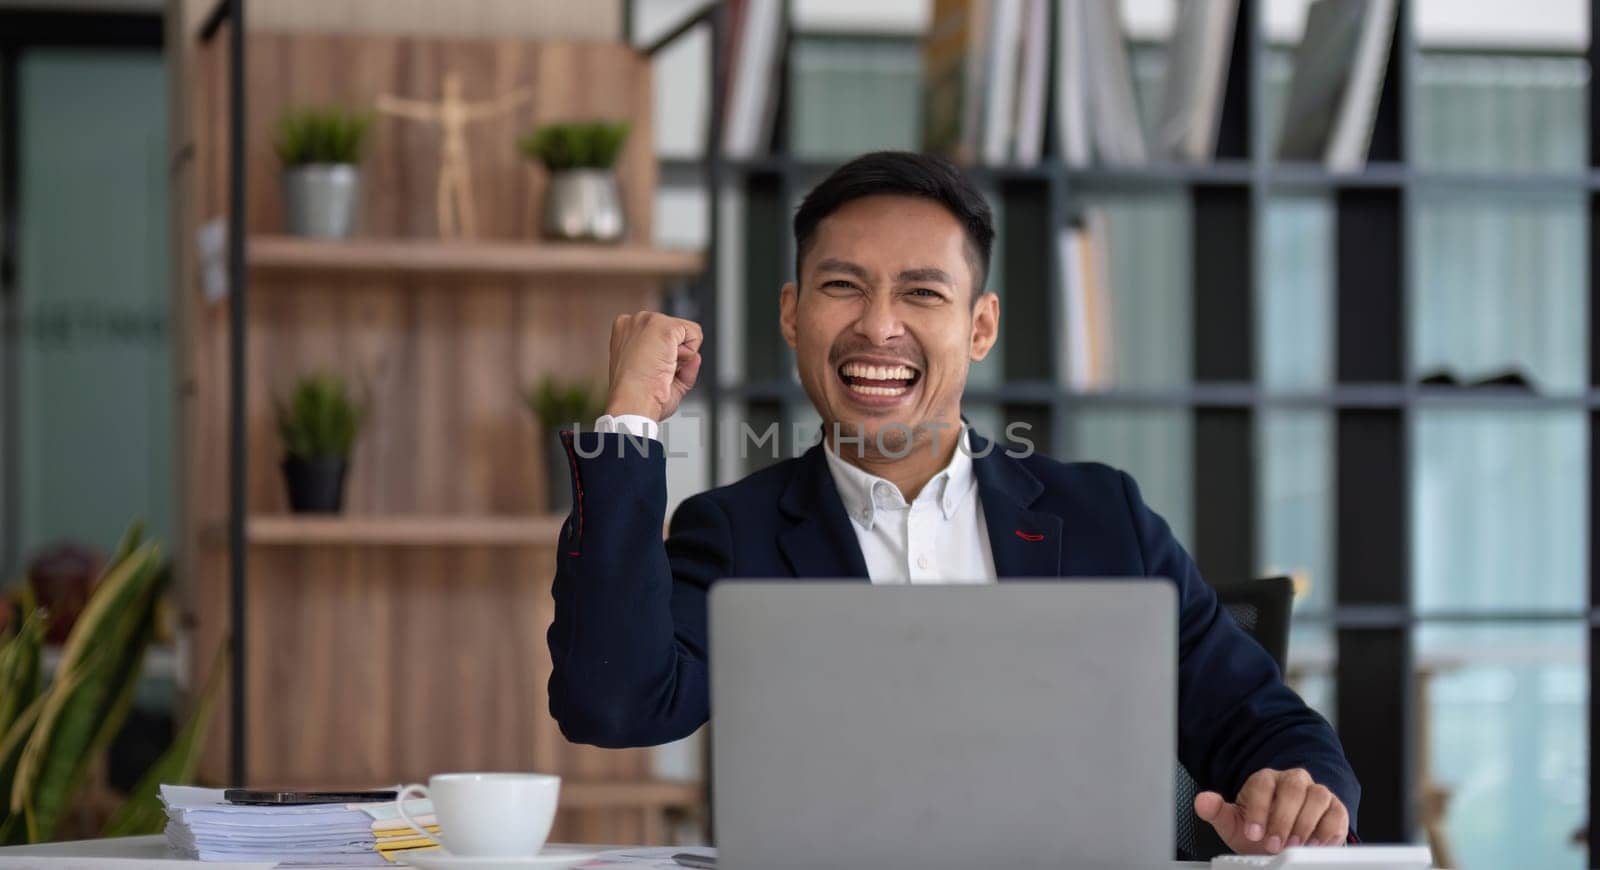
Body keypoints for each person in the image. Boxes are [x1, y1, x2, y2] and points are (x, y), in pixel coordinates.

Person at [547, 151, 1359, 856]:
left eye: (922, 294)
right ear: (792, 315)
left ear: (980, 327)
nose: (879, 327)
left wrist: (1299, 793)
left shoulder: (1102, 516)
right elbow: (612, 705)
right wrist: (627, 421)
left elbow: (1274, 732)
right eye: (842, 286)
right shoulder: (737, 533)